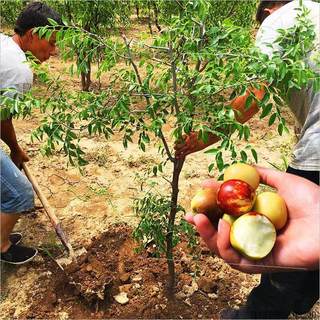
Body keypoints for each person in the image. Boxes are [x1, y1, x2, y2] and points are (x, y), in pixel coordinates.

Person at [176, 0, 320, 318]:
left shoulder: (278, 21)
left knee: (286, 238)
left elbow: (251, 99)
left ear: (267, 9)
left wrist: (199, 137)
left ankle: (259, 315)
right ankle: (303, 298)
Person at [185, 166, 320, 317]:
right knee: (292, 277)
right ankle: (303, 299)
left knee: (282, 279)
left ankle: (272, 311)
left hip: (311, 167)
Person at [0, 2, 62, 264]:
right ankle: (1, 247)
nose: (53, 50)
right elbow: (2, 118)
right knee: (19, 193)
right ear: (33, 34)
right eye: (50, 42)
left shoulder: (4, 44)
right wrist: (15, 149)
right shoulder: (19, 70)